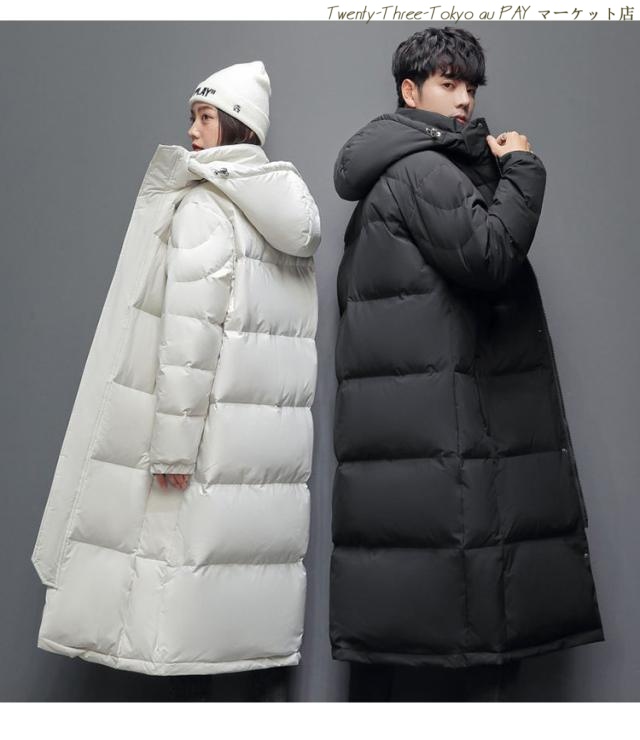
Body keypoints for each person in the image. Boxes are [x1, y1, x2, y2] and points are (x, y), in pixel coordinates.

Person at [329, 27, 604, 699]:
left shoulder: (398, 173)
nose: (463, 101)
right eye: (448, 84)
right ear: (410, 91)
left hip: (421, 434)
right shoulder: (423, 172)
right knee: (463, 655)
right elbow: (489, 257)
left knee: (422, 648)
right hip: (444, 439)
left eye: (470, 88)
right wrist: (524, 170)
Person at [31, 60, 321, 677]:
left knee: (169, 608)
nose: (191, 130)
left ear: (237, 125)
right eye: (192, 116)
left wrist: (169, 450)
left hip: (199, 444)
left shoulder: (206, 209)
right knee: (232, 601)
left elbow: (190, 340)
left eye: (205, 117)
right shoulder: (283, 217)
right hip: (258, 456)